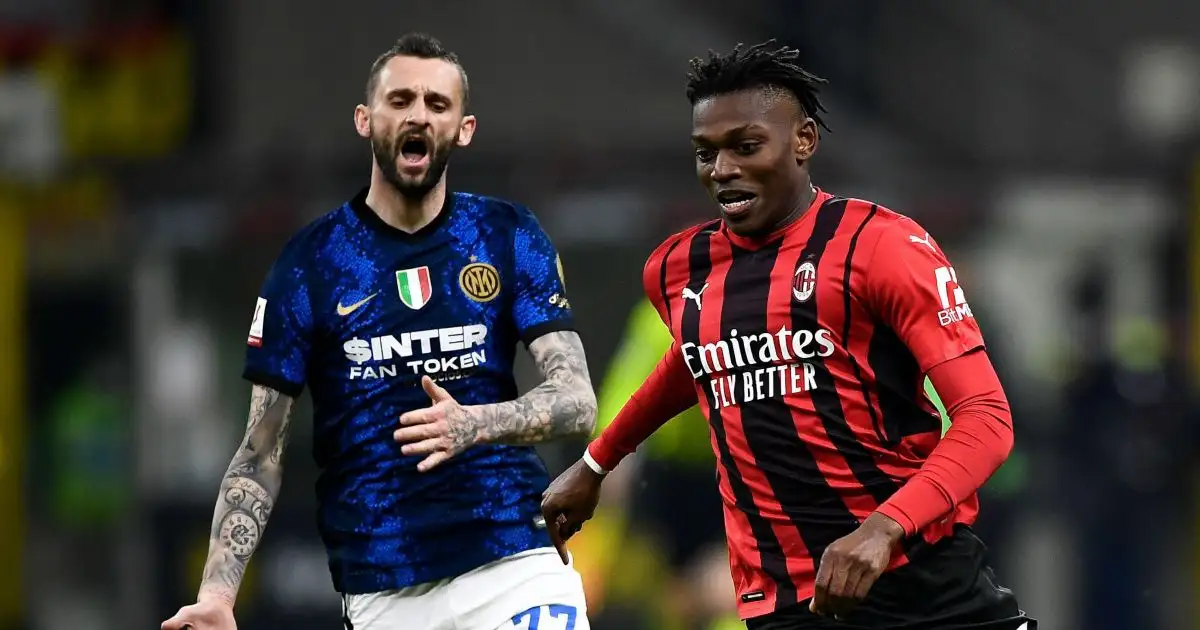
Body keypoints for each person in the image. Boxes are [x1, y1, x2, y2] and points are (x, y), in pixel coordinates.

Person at [540, 40, 1036, 630]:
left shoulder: (883, 247)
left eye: (747, 147)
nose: (723, 170)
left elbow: (986, 418)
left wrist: (881, 531)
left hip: (913, 578)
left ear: (803, 141)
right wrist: (596, 465)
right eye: (706, 153)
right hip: (782, 599)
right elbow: (692, 361)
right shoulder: (677, 269)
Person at [162, 33, 596, 630]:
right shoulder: (310, 263)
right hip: (382, 590)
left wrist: (475, 424)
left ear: (463, 129)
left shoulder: (506, 234)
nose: (419, 113)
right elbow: (260, 452)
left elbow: (577, 402)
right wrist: (217, 594)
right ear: (366, 120)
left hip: (513, 562)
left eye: (437, 104)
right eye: (401, 100)